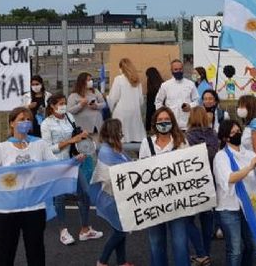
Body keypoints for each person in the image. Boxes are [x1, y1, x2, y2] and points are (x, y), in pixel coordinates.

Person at [0, 107, 58, 266]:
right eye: (21, 119)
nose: (25, 122)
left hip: (35, 208)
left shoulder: (40, 145)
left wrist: (74, 162)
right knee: (5, 254)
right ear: (12, 123)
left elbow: (56, 165)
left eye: (28, 119)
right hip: (8, 211)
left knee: (36, 254)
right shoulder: (2, 148)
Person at [40, 93, 102, 246]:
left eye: (64, 103)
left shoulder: (69, 117)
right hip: (57, 164)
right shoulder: (46, 124)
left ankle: (85, 229)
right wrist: (70, 141)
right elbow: (47, 148)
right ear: (52, 106)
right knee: (59, 197)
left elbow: (75, 136)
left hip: (73, 161)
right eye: (60, 103)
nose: (63, 106)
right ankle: (63, 231)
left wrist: (80, 138)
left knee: (84, 193)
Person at [214, 119, 256, 266]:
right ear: (225, 138)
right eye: (233, 133)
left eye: (238, 131)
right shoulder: (221, 156)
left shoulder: (249, 154)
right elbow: (230, 178)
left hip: (249, 207)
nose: (237, 134)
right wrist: (249, 167)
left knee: (252, 245)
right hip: (229, 208)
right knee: (235, 249)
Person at [139, 107, 190, 266]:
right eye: (160, 120)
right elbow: (141, 171)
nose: (163, 123)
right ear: (154, 123)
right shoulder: (146, 143)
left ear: (172, 122)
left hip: (177, 202)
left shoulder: (182, 142)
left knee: (180, 244)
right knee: (156, 244)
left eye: (166, 119)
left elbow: (189, 169)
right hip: (154, 204)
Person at [93, 119, 135, 266]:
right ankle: (102, 261)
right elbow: (118, 173)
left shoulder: (115, 148)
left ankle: (122, 261)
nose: (122, 133)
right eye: (120, 130)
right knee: (120, 231)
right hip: (111, 198)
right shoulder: (107, 151)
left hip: (118, 198)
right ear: (114, 131)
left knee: (120, 229)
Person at [186, 107, 219, 264]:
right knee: (207, 221)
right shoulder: (213, 135)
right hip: (210, 183)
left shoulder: (187, 137)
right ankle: (205, 253)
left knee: (188, 221)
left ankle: (200, 253)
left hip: (193, 185)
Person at [108, 58, 146, 143]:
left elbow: (113, 97)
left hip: (121, 112)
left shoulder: (119, 79)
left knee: (121, 138)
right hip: (135, 112)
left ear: (121, 68)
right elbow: (141, 100)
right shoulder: (137, 80)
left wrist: (110, 109)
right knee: (135, 136)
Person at [155, 59, 198, 131]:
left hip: (187, 124)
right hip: (171, 124)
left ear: (183, 69)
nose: (178, 71)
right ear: (171, 70)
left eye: (180, 69)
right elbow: (158, 102)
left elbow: (197, 100)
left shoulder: (190, 84)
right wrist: (164, 113)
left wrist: (190, 106)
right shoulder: (165, 85)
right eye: (176, 69)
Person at [145, 67, 164, 131]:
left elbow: (149, 111)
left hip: (154, 120)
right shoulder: (162, 86)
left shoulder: (151, 91)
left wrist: (147, 128)